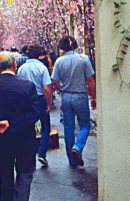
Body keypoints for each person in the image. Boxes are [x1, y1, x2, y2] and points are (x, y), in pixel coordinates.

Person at [0, 52, 40, 201]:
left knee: (5, 177)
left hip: (1, 139)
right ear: (14, 65)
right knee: (24, 175)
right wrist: (13, 123)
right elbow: (35, 113)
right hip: (24, 139)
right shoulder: (27, 86)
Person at [51, 35, 96, 167]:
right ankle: (78, 146)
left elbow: (54, 80)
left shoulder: (59, 61)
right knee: (85, 125)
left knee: (68, 128)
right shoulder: (84, 59)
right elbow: (90, 80)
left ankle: (72, 159)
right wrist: (94, 97)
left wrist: (60, 90)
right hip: (80, 96)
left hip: (66, 97)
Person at [17, 45, 53, 166]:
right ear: (39, 55)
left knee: (29, 126)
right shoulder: (42, 68)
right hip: (40, 99)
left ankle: (30, 154)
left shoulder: (22, 68)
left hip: (26, 100)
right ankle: (42, 154)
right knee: (45, 127)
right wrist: (48, 104)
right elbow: (46, 88)